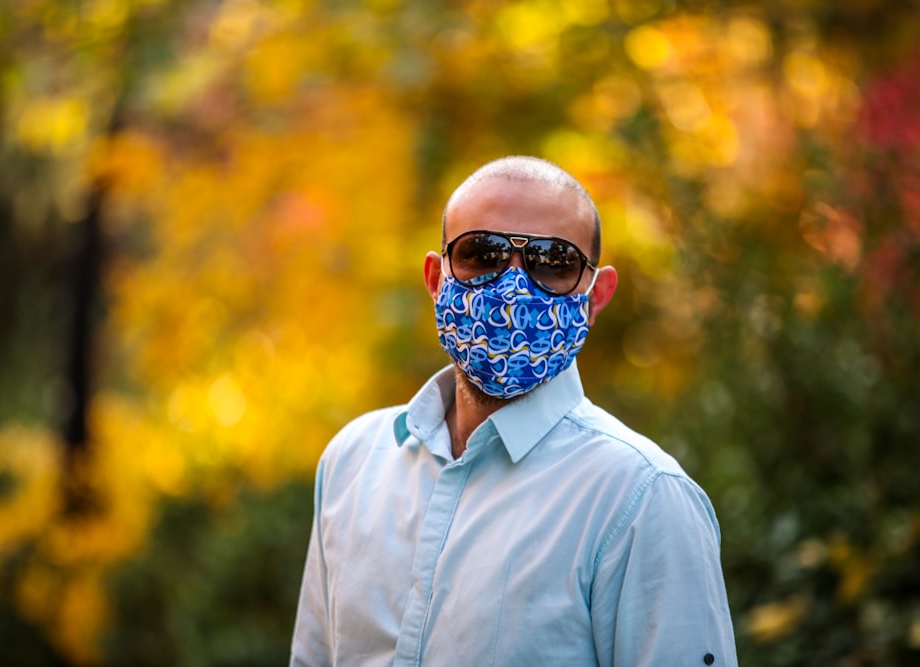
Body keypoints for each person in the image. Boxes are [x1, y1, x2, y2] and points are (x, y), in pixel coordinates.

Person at [290, 156, 738, 666]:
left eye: (554, 262)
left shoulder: (642, 498)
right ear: (437, 278)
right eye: (482, 254)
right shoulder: (352, 461)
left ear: (597, 295)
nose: (514, 289)